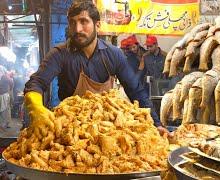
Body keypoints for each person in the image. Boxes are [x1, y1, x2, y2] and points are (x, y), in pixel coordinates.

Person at [24, 1, 170, 136]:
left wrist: (156, 124)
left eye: (84, 22)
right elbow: (36, 83)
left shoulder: (113, 54)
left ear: (97, 25)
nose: (77, 29)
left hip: (106, 130)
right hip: (70, 130)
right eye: (72, 23)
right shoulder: (60, 54)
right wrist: (36, 108)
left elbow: (136, 90)